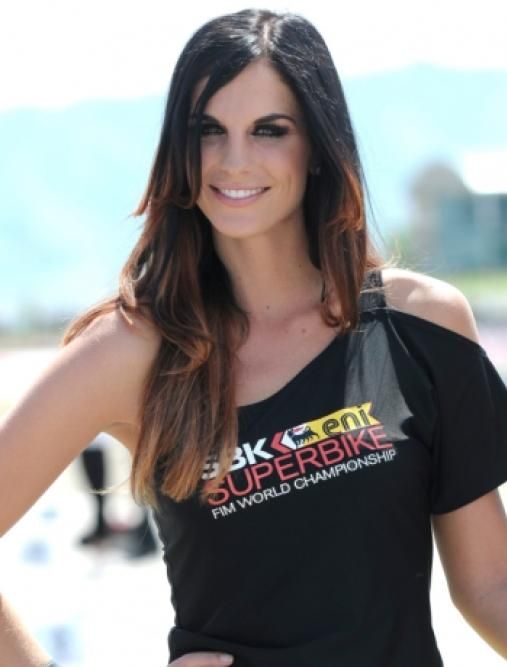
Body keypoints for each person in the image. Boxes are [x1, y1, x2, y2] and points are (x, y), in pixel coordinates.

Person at [1, 8, 506, 667]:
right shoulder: (132, 350)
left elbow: (489, 586)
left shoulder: (420, 325)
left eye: (269, 130)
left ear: (317, 146)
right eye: (207, 130)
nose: (234, 160)